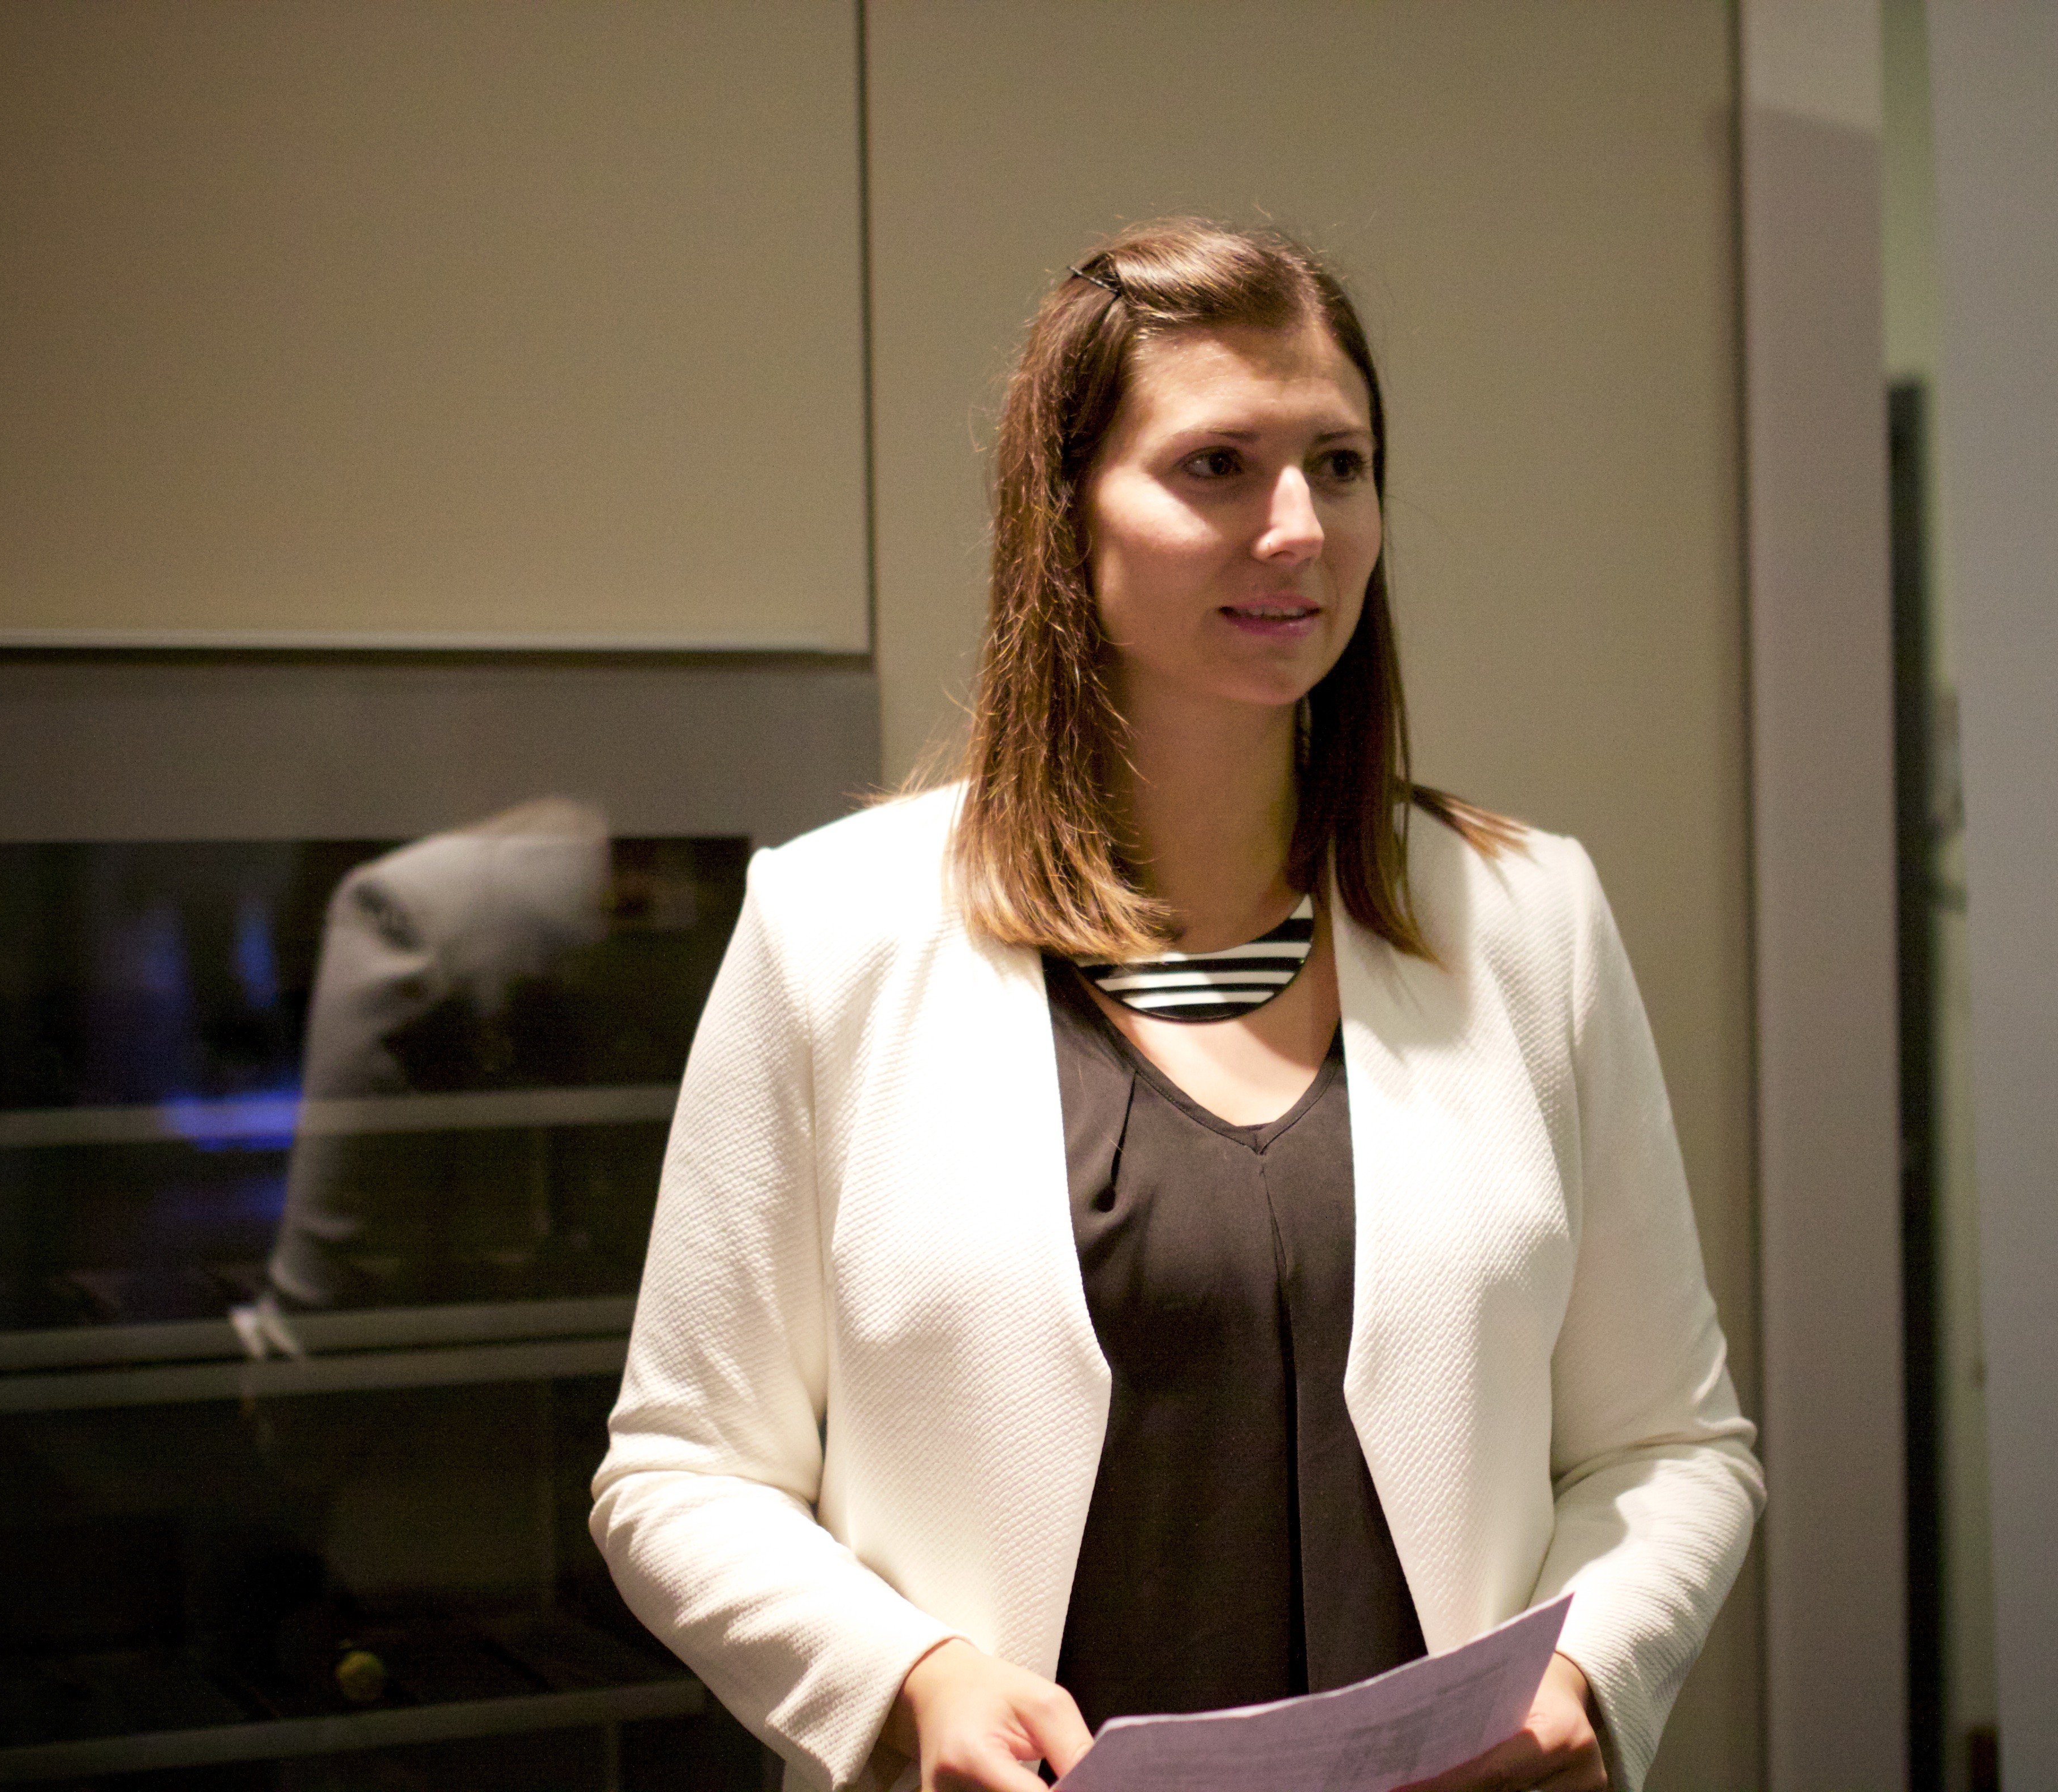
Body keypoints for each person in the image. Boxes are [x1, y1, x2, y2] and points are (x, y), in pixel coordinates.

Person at [590, 220, 1761, 1792]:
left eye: (1339, 466)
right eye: (1219, 466)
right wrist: (910, 1680)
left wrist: (1587, 1672)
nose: (1300, 529)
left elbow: (1674, 1446)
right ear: (1063, 513)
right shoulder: (833, 932)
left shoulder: (1531, 916)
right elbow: (678, 1472)